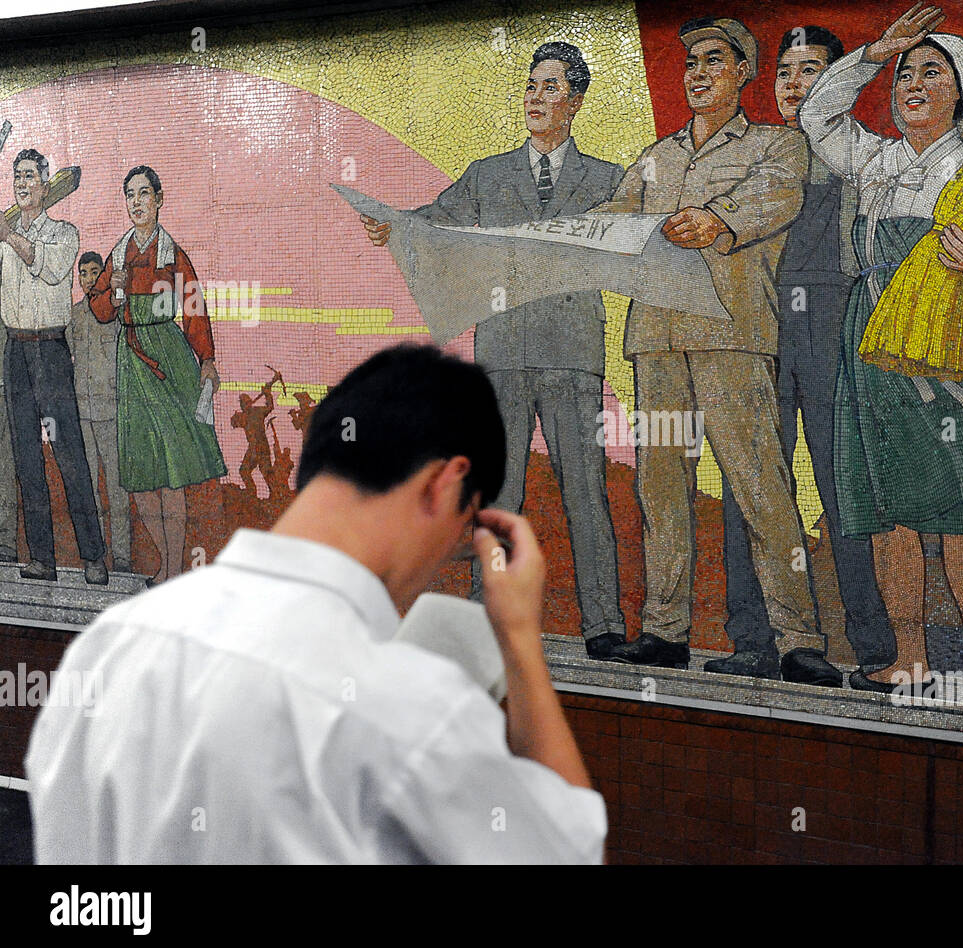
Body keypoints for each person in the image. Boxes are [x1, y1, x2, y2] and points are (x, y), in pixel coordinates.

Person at [25, 343, 608, 864]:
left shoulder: (105, 649)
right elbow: (570, 852)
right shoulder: (415, 709)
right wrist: (521, 644)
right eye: (465, 527)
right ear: (444, 485)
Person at [800, 4, 963, 706]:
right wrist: (875, 51)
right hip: (875, 342)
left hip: (951, 350)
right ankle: (908, 657)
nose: (912, 83)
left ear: (961, 95)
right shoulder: (874, 158)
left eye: (931, 72)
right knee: (894, 515)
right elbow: (817, 116)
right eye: (905, 74)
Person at [362, 42, 628, 662]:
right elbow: (438, 220)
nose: (536, 97)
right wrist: (395, 224)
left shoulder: (608, 179)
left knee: (584, 490)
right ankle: (487, 618)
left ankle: (604, 625)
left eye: (550, 87)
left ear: (577, 101)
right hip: (503, 351)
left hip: (571, 353)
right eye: (531, 86)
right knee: (500, 493)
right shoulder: (486, 174)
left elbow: (629, 248)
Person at [595, 17, 837, 686]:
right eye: (690, 62)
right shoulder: (656, 155)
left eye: (713, 60)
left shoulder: (775, 146)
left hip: (732, 333)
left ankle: (798, 639)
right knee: (661, 488)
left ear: (743, 72)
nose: (697, 72)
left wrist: (719, 221)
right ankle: (666, 632)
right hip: (659, 338)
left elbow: (774, 200)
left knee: (761, 485)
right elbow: (613, 219)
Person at [712, 24, 896, 680]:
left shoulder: (855, 153)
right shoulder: (754, 153)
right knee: (750, 486)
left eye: (811, 69)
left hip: (831, 324)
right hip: (760, 327)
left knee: (843, 489)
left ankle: (873, 651)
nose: (795, 83)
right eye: (786, 71)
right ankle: (755, 642)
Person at [87, 165, 227, 585]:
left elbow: (194, 308)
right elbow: (100, 311)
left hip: (170, 361)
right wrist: (111, 285)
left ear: (159, 199)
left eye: (144, 193)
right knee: (142, 474)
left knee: (172, 473)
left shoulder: (173, 254)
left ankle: (172, 568)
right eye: (130, 195)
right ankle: (165, 560)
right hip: (132, 361)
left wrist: (206, 359)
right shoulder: (120, 252)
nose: (136, 202)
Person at [0, 149, 107, 584]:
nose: (23, 184)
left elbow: (44, 267)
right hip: (16, 356)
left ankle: (93, 558)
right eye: (17, 178)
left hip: (51, 355)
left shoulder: (64, 234)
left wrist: (9, 236)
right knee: (27, 460)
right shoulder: (3, 243)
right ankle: (42, 559)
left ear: (46, 186)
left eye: (30, 177)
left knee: (68, 457)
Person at [68, 250, 131, 573]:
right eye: (84, 274)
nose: (89, 279)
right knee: (88, 488)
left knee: (117, 488)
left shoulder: (115, 313)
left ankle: (122, 556)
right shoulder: (74, 315)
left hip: (111, 410)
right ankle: (96, 556)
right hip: (82, 411)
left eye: (95, 273)